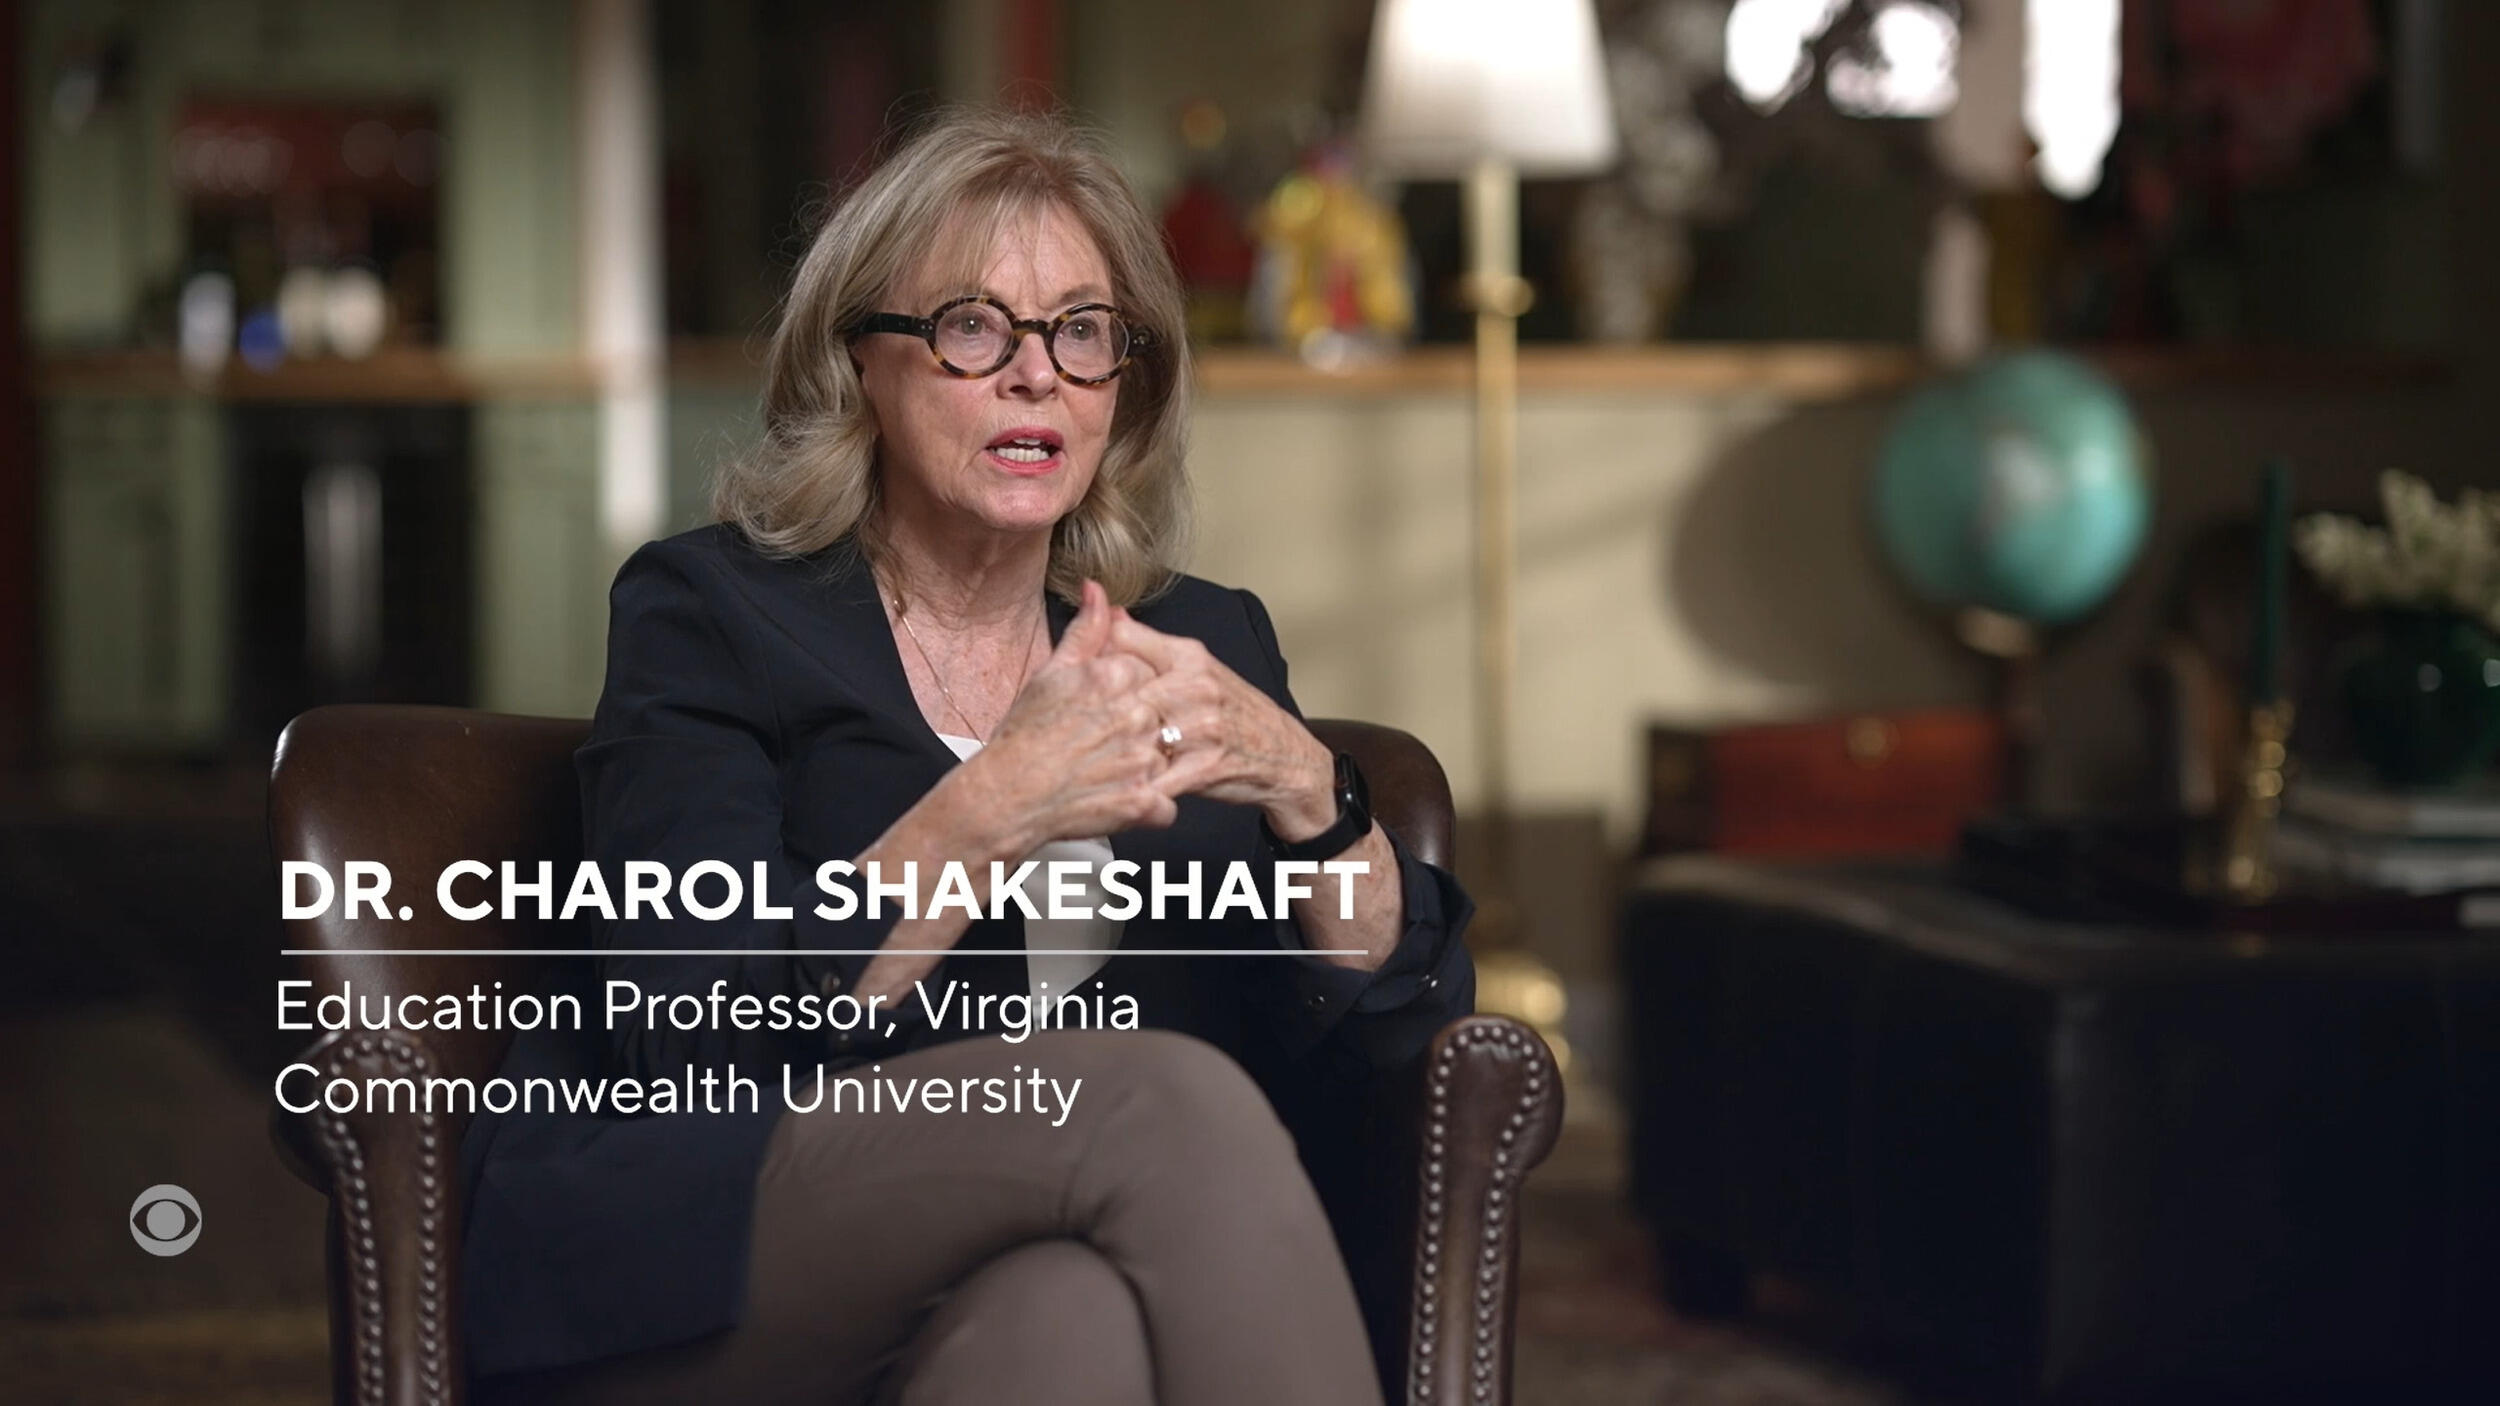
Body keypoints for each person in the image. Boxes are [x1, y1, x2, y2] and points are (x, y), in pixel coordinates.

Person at [459, 106, 1475, 1406]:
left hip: (1045, 1252)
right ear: (859, 367)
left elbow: (1402, 1035)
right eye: (973, 325)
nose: (1035, 373)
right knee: (1154, 1100)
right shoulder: (711, 613)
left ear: (1124, 383)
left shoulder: (1198, 641)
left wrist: (1311, 796)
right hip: (720, 1246)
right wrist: (992, 802)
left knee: (1069, 1322)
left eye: (1081, 331)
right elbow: (693, 1024)